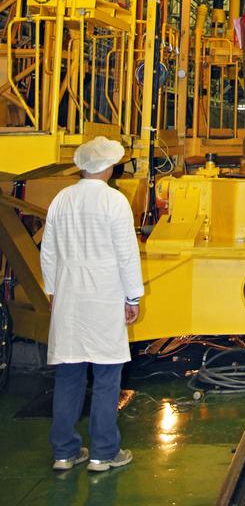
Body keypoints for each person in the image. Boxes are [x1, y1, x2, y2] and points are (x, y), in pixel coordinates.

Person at [40, 136, 144, 473]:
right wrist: (132, 296)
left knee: (69, 376)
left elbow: (48, 251)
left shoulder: (62, 199)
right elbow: (127, 254)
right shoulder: (114, 202)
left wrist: (53, 291)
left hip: (69, 299)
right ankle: (103, 453)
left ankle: (64, 452)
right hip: (104, 297)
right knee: (106, 377)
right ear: (108, 166)